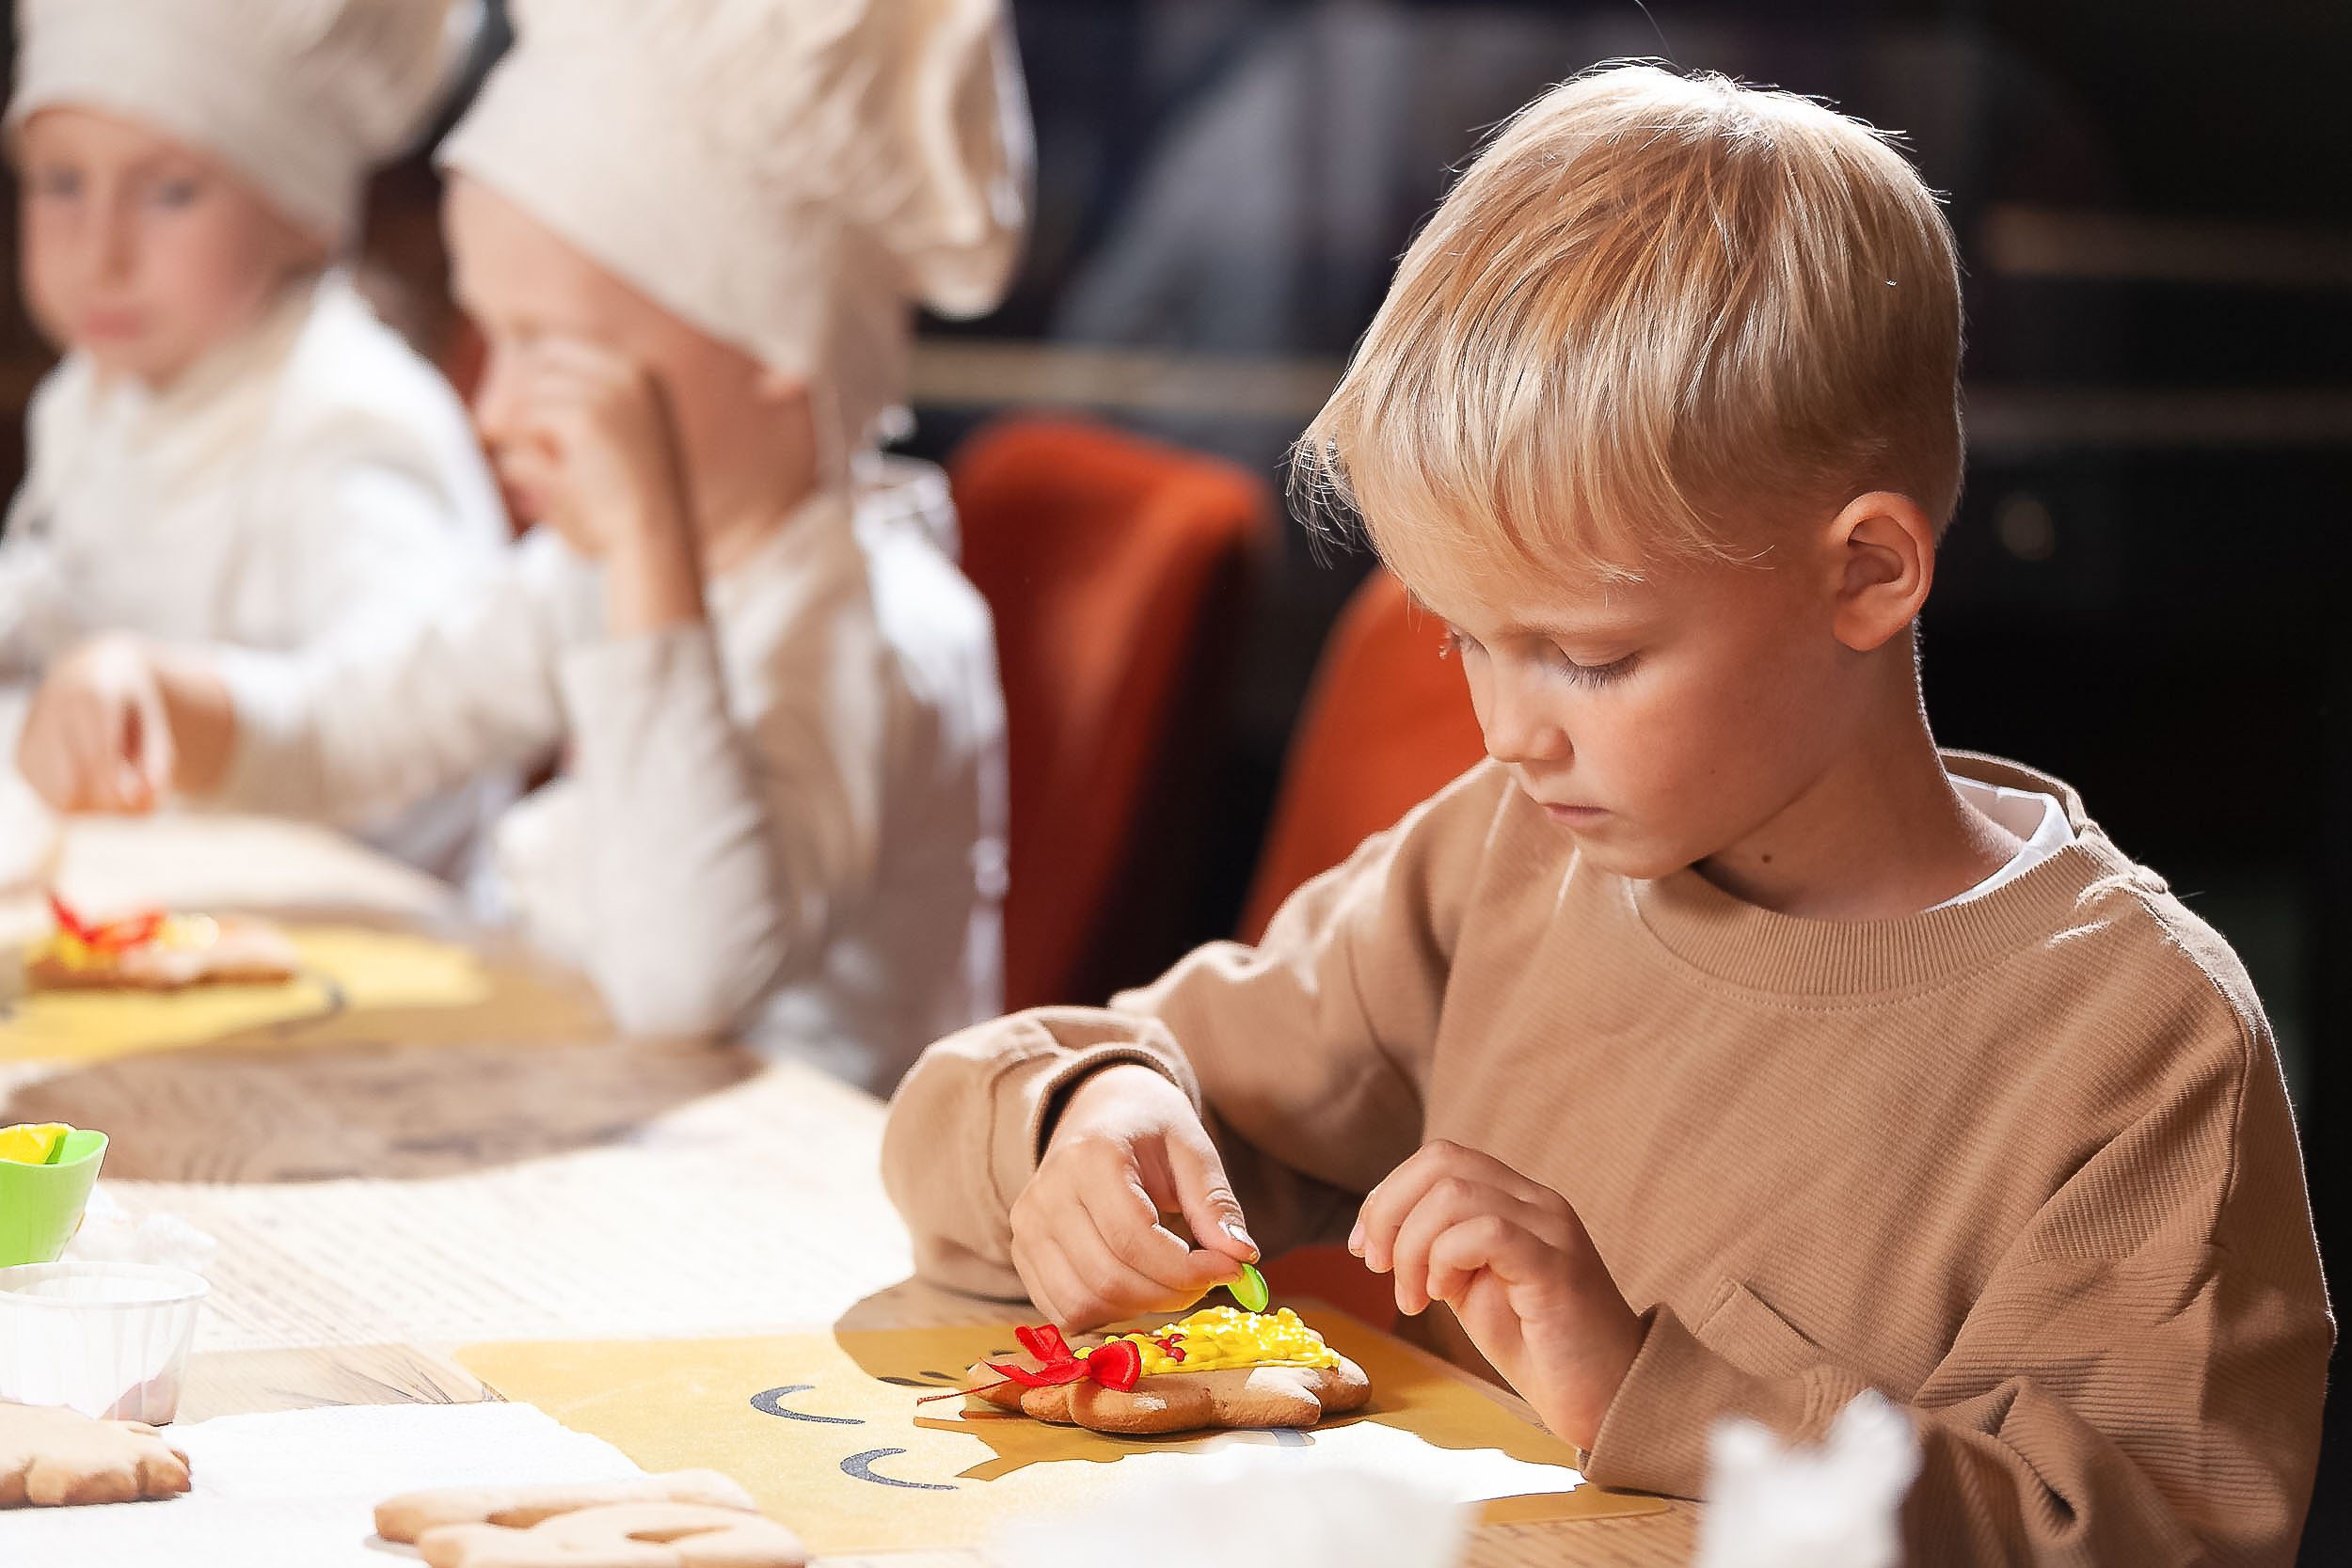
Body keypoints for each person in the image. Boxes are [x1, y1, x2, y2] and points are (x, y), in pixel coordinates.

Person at [878, 66, 2331, 1563]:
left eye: (1590, 657)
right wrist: (1087, 1116)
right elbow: (975, 1111)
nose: (1508, 729)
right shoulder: (1500, 858)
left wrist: (1659, 1386)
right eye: (1467, 640)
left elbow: (2147, 1533)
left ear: (1867, 574)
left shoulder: (2140, 1053)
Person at [16, 0, 1028, 1091]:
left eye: (547, 346)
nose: (491, 413)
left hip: (797, 1205)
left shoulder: (879, 635)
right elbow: (363, 730)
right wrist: (174, 698)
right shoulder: (586, 575)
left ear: (776, 338)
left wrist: (646, 551)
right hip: (602, 1130)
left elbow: (687, 978)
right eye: (488, 340)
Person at [0, 0, 512, 879]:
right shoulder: (90, 399)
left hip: (360, 939)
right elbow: (55, 591)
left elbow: (415, 745)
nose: (101, 250)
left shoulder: (350, 422)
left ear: (301, 214)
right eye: (61, 182)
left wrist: (187, 714)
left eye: (170, 192)